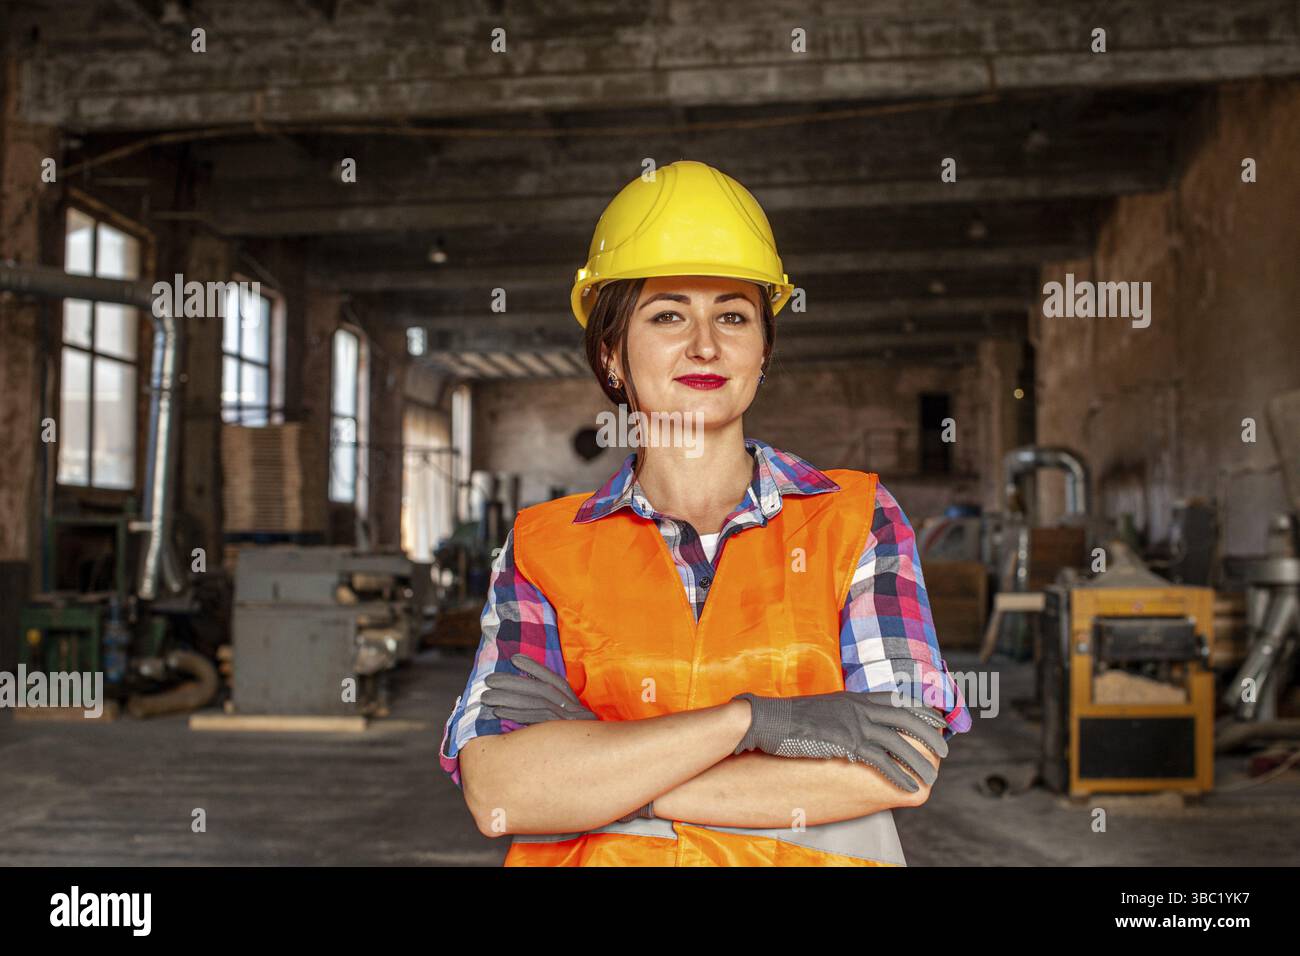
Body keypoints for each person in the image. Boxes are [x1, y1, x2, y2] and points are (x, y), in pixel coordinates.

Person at [439, 160, 971, 866]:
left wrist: (605, 773)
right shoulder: (543, 547)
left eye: (732, 315)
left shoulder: (855, 519)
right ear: (612, 354)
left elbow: (903, 762)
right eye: (667, 315)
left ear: (761, 351)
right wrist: (754, 721)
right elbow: (502, 790)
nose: (705, 344)